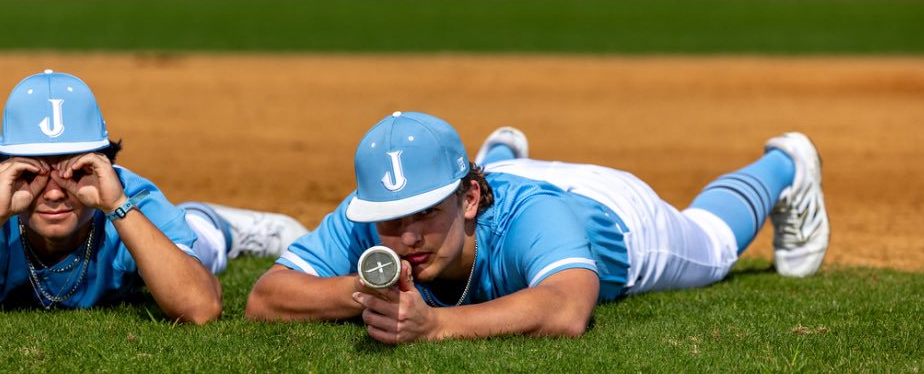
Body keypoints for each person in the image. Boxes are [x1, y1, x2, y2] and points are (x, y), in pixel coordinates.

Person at [246, 111, 829, 344]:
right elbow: (266, 298)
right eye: (391, 220)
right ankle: (497, 152)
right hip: (495, 179)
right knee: (472, 193)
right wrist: (367, 291)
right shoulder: (373, 211)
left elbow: (568, 308)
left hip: (604, 212)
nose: (407, 236)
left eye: (426, 211)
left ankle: (786, 164)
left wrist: (433, 326)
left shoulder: (533, 216)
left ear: (467, 198)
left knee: (714, 243)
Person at [0, 70, 307, 322]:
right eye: (34, 171)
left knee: (201, 245)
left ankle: (212, 223)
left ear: (103, 164)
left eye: (73, 169)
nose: (53, 191)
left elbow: (200, 308)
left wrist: (118, 207)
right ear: (5, 169)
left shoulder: (128, 195)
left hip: (146, 233)